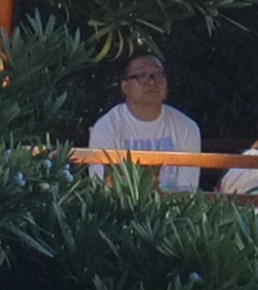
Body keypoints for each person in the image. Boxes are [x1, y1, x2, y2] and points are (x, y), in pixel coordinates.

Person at [84, 50, 206, 192]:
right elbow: (102, 187)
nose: (152, 82)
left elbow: (188, 190)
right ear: (125, 87)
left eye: (158, 75)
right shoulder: (106, 127)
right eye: (142, 76)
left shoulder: (186, 127)